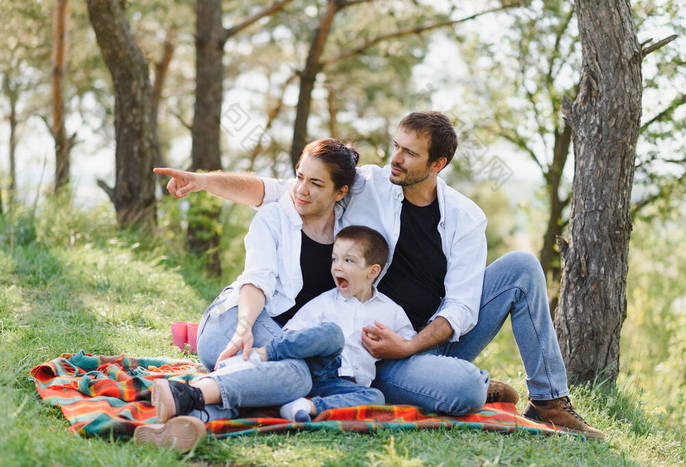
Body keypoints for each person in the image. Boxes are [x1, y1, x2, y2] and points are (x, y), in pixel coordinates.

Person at [154, 111, 604, 440]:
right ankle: (198, 403)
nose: (395, 158)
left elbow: (463, 306)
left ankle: (548, 401)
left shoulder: (466, 219)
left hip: (419, 341)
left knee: (522, 268)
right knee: (304, 371)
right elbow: (274, 192)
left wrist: (410, 344)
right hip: (361, 340)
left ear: (437, 165)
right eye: (395, 146)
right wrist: (202, 180)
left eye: (409, 153)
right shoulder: (366, 184)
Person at [135, 138, 361, 450]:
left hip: (281, 343)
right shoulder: (273, 218)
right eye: (299, 177)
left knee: (283, 381)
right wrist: (244, 327)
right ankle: (190, 392)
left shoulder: (349, 234)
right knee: (298, 376)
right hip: (233, 321)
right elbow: (257, 280)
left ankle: (194, 417)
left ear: (340, 192)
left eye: (316, 184)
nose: (302, 190)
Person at [264, 225, 416, 421]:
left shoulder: (391, 310)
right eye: (334, 258)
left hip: (348, 386)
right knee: (330, 334)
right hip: (317, 369)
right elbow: (292, 333)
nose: (337, 266)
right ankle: (264, 362)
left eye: (348, 260)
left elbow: (407, 340)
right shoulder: (324, 303)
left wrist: (395, 342)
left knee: (375, 397)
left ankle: (306, 406)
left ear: (372, 271)